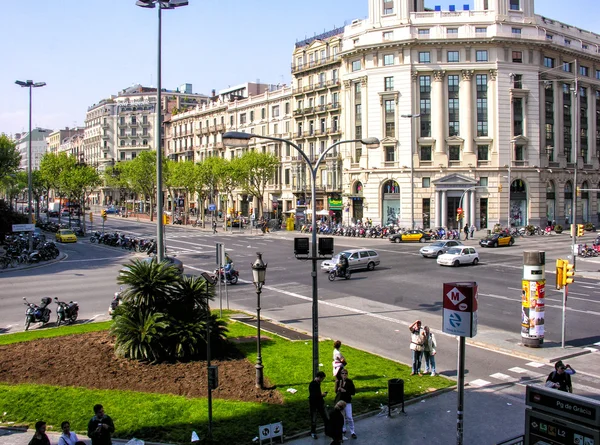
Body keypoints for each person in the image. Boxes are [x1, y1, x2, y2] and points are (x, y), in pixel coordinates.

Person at [335, 369, 357, 439]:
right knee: (342, 417)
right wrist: (337, 388)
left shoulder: (349, 382)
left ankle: (352, 431)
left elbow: (353, 392)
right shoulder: (339, 381)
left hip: (347, 401)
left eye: (345, 373)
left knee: (349, 417)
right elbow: (335, 391)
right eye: (343, 373)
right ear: (340, 374)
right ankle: (343, 429)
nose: (344, 375)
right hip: (340, 401)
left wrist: (345, 390)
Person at [309, 371, 328, 439]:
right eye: (322, 379)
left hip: (320, 404)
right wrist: (322, 395)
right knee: (314, 419)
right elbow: (314, 395)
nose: (322, 380)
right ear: (319, 377)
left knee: (326, 418)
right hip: (314, 405)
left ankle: (327, 431)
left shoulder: (318, 383)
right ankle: (313, 432)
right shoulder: (313, 384)